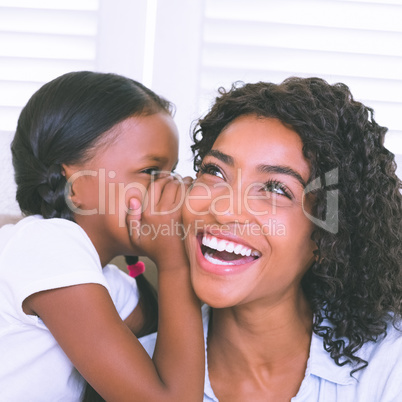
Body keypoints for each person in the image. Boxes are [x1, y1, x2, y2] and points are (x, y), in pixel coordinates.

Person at [141, 77, 402, 401]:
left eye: (276, 188)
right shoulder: (135, 366)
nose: (224, 211)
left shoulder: (390, 364)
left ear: (328, 235)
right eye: (216, 172)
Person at [0, 71, 204, 401]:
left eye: (172, 173)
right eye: (152, 172)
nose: (169, 189)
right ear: (75, 186)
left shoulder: (111, 286)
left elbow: (181, 343)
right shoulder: (45, 244)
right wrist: (173, 261)